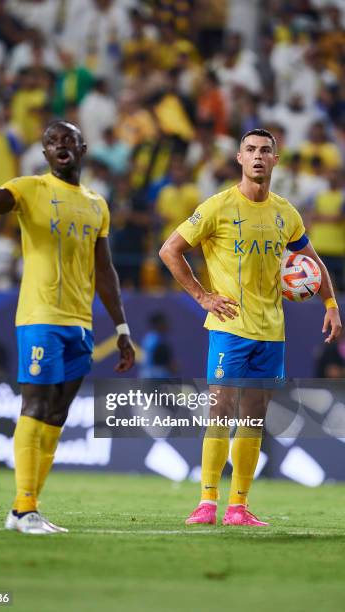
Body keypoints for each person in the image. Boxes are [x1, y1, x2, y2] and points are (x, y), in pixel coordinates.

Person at [159, 128, 342, 527]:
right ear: (240, 159)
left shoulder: (285, 213)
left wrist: (330, 303)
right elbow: (169, 250)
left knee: (254, 418)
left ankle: (238, 508)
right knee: (221, 411)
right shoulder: (217, 207)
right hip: (229, 327)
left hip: (271, 331)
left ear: (275, 160)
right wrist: (203, 297)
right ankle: (207, 502)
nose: (258, 156)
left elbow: (312, 261)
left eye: (265, 151)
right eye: (250, 150)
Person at [0, 120, 135, 535]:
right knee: (36, 406)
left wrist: (122, 327)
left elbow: (105, 270)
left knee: (56, 416)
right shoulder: (30, 188)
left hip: (80, 324)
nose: (60, 145)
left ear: (82, 148)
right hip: (40, 317)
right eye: (52, 142)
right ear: (44, 154)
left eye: (67, 140)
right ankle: (24, 509)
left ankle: (27, 508)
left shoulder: (97, 204)